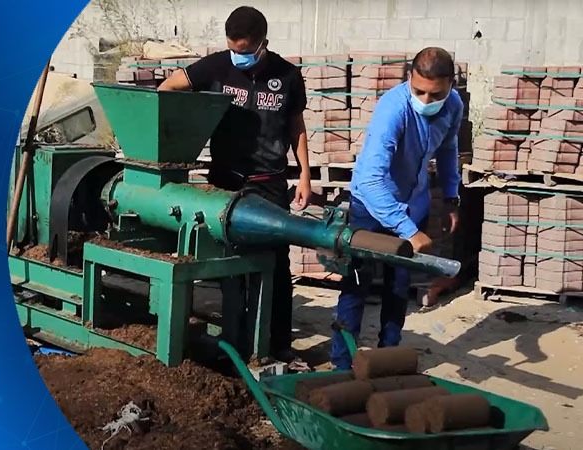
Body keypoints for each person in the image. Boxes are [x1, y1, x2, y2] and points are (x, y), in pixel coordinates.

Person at [159, 6, 310, 364]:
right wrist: (179, 130)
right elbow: (168, 87)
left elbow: (296, 126)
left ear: (262, 43)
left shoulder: (287, 75)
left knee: (277, 264)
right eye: (232, 49)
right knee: (230, 264)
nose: (238, 57)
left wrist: (305, 173)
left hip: (269, 183)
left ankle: (278, 343)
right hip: (226, 182)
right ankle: (236, 341)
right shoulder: (216, 67)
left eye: (244, 51)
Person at [330, 47, 463, 370]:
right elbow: (371, 181)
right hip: (371, 207)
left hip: (413, 204)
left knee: (398, 286)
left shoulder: (453, 106)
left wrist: (451, 196)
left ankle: (387, 357)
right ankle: (342, 363)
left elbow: (448, 149)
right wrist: (408, 231)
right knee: (357, 283)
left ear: (451, 85)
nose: (426, 101)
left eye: (436, 94)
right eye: (419, 91)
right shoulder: (393, 109)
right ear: (409, 78)